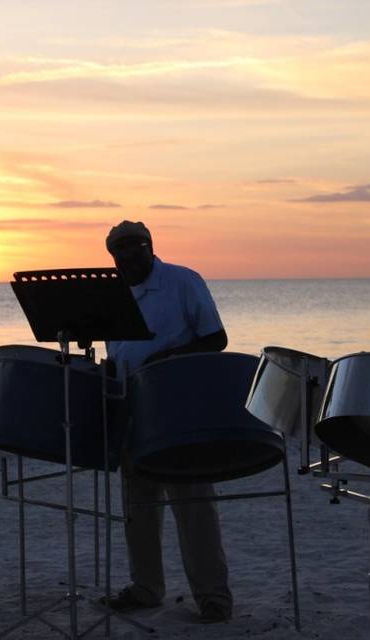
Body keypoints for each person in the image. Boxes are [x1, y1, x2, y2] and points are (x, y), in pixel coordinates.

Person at [100, 220, 233, 624]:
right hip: (133, 409)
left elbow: (217, 339)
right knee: (138, 506)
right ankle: (145, 588)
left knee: (192, 504)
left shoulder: (182, 281)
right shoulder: (112, 294)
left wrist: (171, 357)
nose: (127, 259)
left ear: (150, 247)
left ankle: (213, 598)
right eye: (119, 254)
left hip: (179, 409)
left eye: (134, 250)